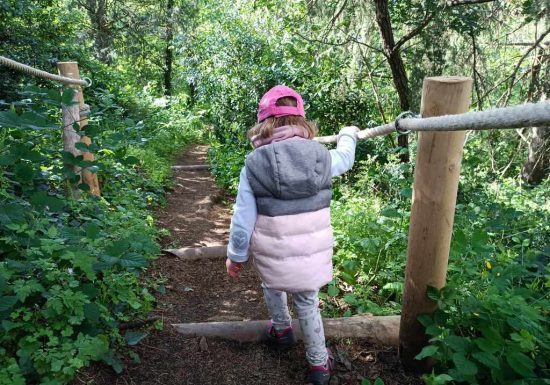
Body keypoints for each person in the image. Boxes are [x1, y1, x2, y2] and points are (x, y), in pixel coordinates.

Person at [225, 85, 358, 385]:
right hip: (312, 253)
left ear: (262, 125)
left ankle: (282, 330)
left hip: (272, 252)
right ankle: (319, 365)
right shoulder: (320, 156)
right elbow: (345, 159)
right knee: (307, 302)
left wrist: (236, 255)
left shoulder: (253, 165)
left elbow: (243, 217)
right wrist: (348, 134)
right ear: (301, 121)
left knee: (272, 283)